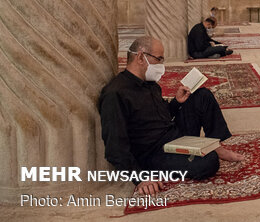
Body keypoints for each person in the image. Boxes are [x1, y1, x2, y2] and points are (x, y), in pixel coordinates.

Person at [99, 36, 244, 195]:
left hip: (173, 135)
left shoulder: (150, 84)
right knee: (209, 162)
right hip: (153, 152)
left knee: (202, 95)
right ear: (140, 57)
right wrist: (140, 177)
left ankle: (215, 145)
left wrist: (176, 102)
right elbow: (114, 146)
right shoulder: (116, 93)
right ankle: (205, 150)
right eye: (158, 59)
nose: (161, 65)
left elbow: (161, 116)